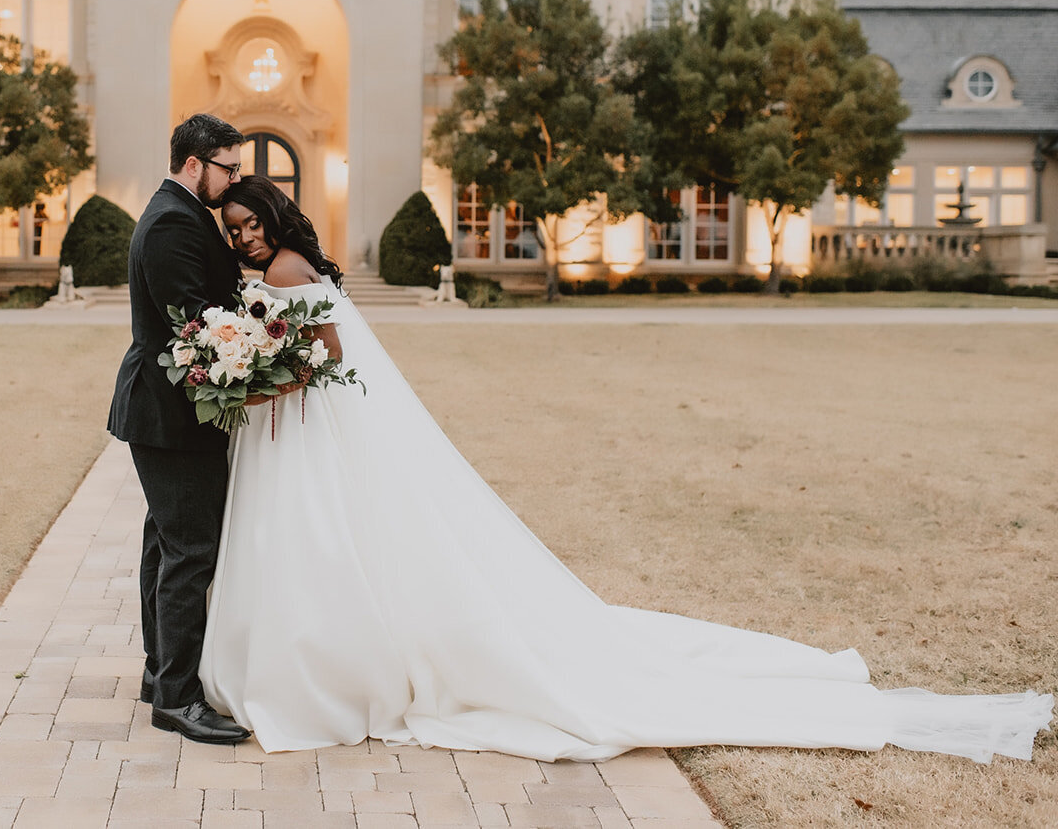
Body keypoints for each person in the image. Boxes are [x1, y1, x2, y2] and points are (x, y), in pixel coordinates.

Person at [200, 175, 1053, 762]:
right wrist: (249, 365)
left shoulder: (291, 269)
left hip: (304, 426)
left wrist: (262, 376)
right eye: (233, 228)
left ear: (277, 217)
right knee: (313, 543)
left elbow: (328, 352)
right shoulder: (272, 269)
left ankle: (316, 678)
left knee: (317, 542)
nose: (243, 236)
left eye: (250, 222)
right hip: (296, 434)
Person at [107, 113, 252, 744]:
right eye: (228, 167)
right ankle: (177, 696)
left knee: (168, 540)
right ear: (194, 164)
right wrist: (258, 351)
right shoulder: (171, 220)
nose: (235, 179)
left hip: (171, 409)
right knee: (191, 547)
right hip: (172, 410)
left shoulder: (182, 213)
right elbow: (191, 324)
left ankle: (158, 672)